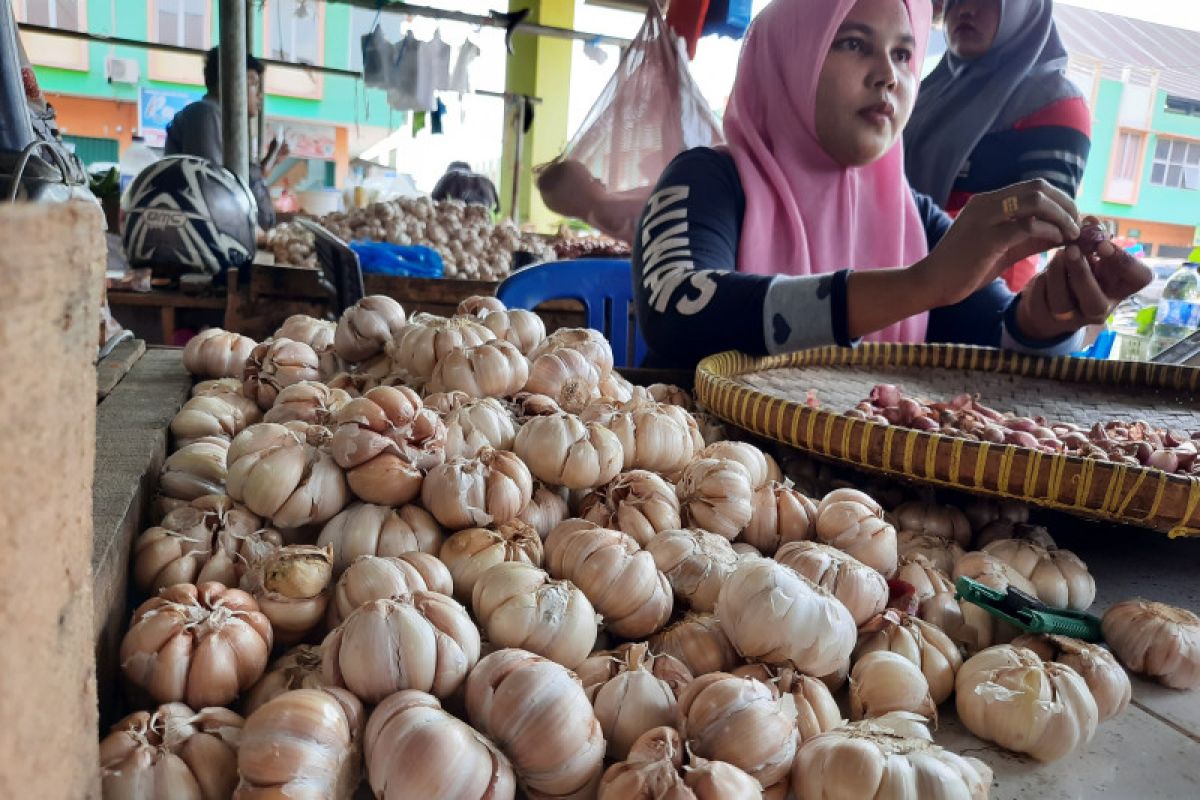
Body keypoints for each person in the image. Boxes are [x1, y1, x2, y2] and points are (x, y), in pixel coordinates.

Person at [632, 0, 1148, 368]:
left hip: (857, 510)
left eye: (904, 54)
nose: (888, 75)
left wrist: (1049, 315)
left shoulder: (914, 219)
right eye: (854, 43)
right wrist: (918, 285)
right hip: (701, 497)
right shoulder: (707, 179)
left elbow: (995, 341)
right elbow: (679, 309)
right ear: (789, 57)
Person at [904, 0, 1090, 291]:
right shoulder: (925, 92)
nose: (965, 10)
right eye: (956, 0)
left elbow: (1042, 227)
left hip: (981, 301)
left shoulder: (1053, 102)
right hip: (897, 283)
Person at [164, 46, 287, 230]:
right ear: (231, 80)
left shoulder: (220, 120)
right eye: (253, 83)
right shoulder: (206, 114)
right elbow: (212, 189)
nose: (259, 95)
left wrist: (269, 163)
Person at [431, 161, 500, 211]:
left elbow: (432, 203)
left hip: (458, 221)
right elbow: (498, 210)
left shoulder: (449, 175)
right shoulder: (486, 180)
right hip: (484, 221)